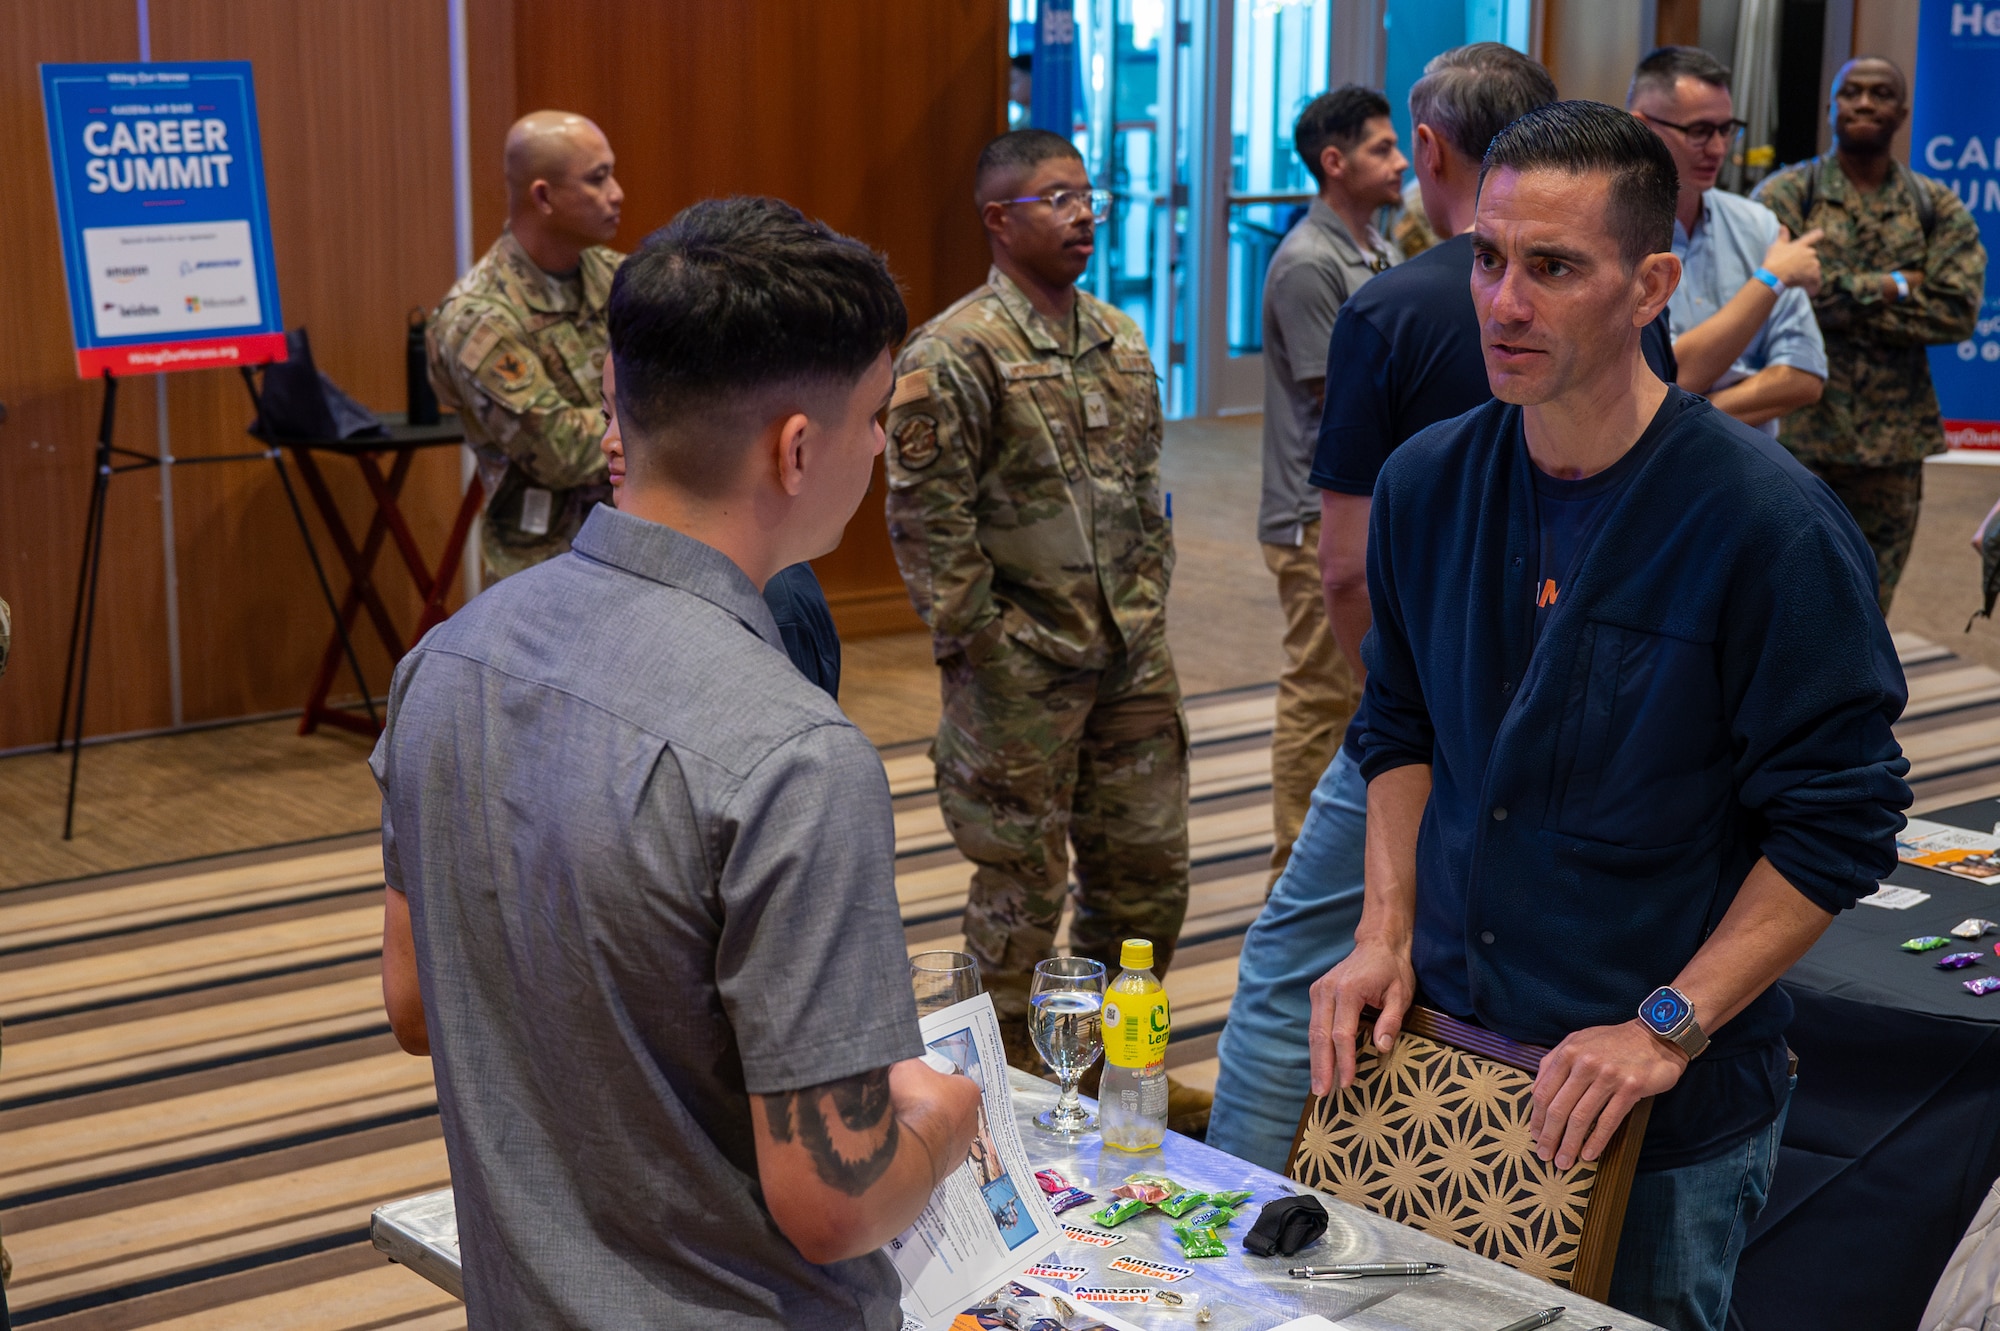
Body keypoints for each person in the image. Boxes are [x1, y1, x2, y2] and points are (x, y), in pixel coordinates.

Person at [1312, 100, 1909, 1331]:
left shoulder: (1768, 528)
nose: (1501, 303)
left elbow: (1836, 826)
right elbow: (1398, 724)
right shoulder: (1428, 482)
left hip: (1655, 1117)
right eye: (1486, 258)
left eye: (1550, 268)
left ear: (1651, 286)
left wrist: (1667, 1023)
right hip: (1444, 1080)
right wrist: (1382, 928)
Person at [375, 196, 982, 1328]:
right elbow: (834, 1200)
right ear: (797, 448)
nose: (882, 446)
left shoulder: (443, 663)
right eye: (875, 416)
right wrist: (946, 1118)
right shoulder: (793, 757)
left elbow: (415, 1002)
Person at [1208, 41, 1560, 1170]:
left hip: (1428, 699)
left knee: (1286, 961)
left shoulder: (1393, 305)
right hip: (1565, 698)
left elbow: (1346, 568)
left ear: (1425, 148)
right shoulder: (1609, 305)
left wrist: (1398, 713)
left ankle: (1231, 1213)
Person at [883, 129, 1198, 1125]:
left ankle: (1115, 1064)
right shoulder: (953, 351)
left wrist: (1148, 596)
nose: (1080, 214)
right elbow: (926, 520)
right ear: (997, 219)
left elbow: (1144, 491)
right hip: (1020, 669)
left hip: (1129, 658)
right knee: (1019, 887)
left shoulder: (1117, 336)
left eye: (1084, 195)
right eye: (1053, 198)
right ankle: (1003, 1086)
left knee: (1147, 877)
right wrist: (987, 639)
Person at [1755, 56, 1987, 613]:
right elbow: (1765, 294)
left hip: (1893, 445)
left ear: (1902, 112)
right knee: (1778, 592)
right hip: (1796, 435)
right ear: (1832, 106)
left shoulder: (1936, 207)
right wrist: (1894, 286)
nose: (1863, 103)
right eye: (1850, 92)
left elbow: (1954, 312)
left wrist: (1830, 295)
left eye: (1879, 94)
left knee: (1869, 604)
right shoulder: (1786, 196)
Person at [1256, 85, 1404, 888]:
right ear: (1334, 161)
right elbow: (1336, 398)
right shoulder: (1311, 262)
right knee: (1317, 698)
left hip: (1363, 508)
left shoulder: (1374, 246)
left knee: (1359, 691)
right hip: (1315, 516)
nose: (1402, 160)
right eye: (1382, 148)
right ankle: (1294, 872)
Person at [428, 110, 624, 581]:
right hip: (547, 573)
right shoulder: (478, 317)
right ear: (544, 196)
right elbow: (561, 451)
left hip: (632, 546)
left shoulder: (622, 278)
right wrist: (667, 426)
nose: (617, 193)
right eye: (598, 179)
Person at [598, 356, 842, 697]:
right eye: (606, 417)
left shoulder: (772, 600)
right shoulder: (648, 557)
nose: (608, 443)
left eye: (639, 419)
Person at [1628, 46, 1828, 432]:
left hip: (1744, 479)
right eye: (1700, 132)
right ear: (1643, 126)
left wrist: (1677, 422)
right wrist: (1770, 279)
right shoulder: (1613, 233)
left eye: (1726, 129)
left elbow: (1804, 376)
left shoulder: (1758, 225)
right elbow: (1663, 374)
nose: (1719, 149)